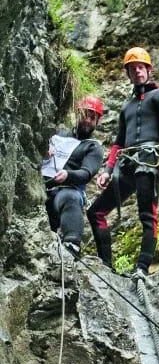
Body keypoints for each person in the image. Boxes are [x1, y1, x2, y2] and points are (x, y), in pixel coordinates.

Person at [87, 47, 159, 279]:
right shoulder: (126, 107)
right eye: (132, 68)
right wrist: (107, 171)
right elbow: (118, 143)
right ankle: (106, 266)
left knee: (147, 215)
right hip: (127, 164)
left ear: (148, 70)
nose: (137, 71)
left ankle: (141, 268)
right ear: (128, 74)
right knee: (96, 212)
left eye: (141, 67)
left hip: (148, 160)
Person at [43, 96, 104, 257]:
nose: (88, 120)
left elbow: (86, 173)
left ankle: (72, 244)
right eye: (85, 115)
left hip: (64, 192)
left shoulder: (93, 147)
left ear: (97, 121)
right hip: (42, 187)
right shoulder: (58, 136)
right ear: (77, 114)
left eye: (92, 118)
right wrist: (44, 151)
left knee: (71, 197)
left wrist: (68, 175)